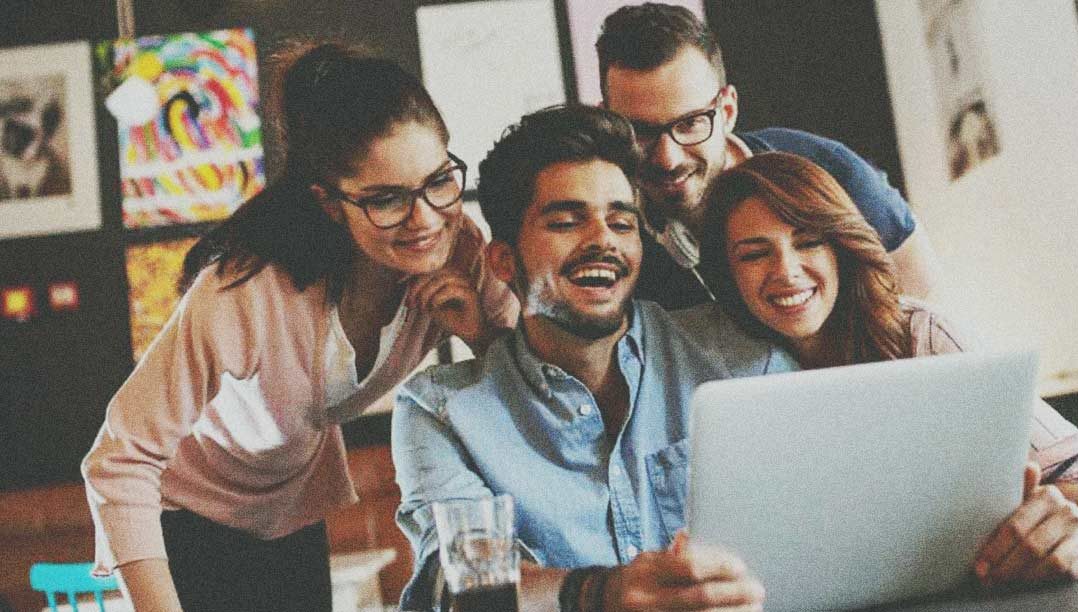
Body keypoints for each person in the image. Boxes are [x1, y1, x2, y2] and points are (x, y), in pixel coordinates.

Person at [81, 42, 518, 612]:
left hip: (289, 513)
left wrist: (481, 333)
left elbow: (536, 393)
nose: (426, 219)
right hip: (183, 516)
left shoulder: (462, 250)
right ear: (330, 203)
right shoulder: (244, 293)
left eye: (439, 181)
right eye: (387, 199)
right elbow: (119, 459)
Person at [392, 105, 770, 612]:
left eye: (621, 222)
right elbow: (458, 588)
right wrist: (599, 593)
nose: (603, 241)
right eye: (567, 222)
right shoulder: (440, 411)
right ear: (503, 260)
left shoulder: (735, 356)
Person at [697, 151, 1078, 585]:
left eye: (808, 242)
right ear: (728, 273)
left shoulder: (923, 334)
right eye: (754, 254)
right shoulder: (720, 373)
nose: (786, 272)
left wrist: (1038, 525)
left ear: (841, 246)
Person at [595, 2, 941, 309]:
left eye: (690, 123)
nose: (668, 158)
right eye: (640, 132)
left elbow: (921, 300)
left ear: (727, 110)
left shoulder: (827, 169)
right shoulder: (606, 229)